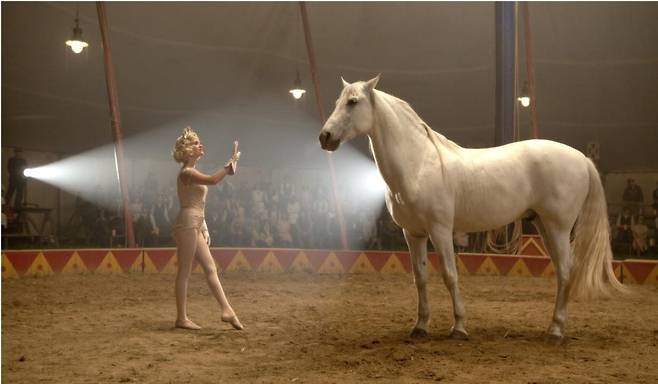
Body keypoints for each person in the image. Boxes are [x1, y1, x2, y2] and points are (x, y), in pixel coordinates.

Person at [171, 126, 243, 331]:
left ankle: (227, 309)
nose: (199, 144)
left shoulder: (192, 172)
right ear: (186, 151)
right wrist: (229, 166)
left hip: (195, 222)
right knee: (184, 271)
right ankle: (181, 318)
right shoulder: (187, 172)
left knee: (210, 268)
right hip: (186, 224)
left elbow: (196, 202)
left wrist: (204, 225)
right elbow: (212, 180)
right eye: (195, 143)